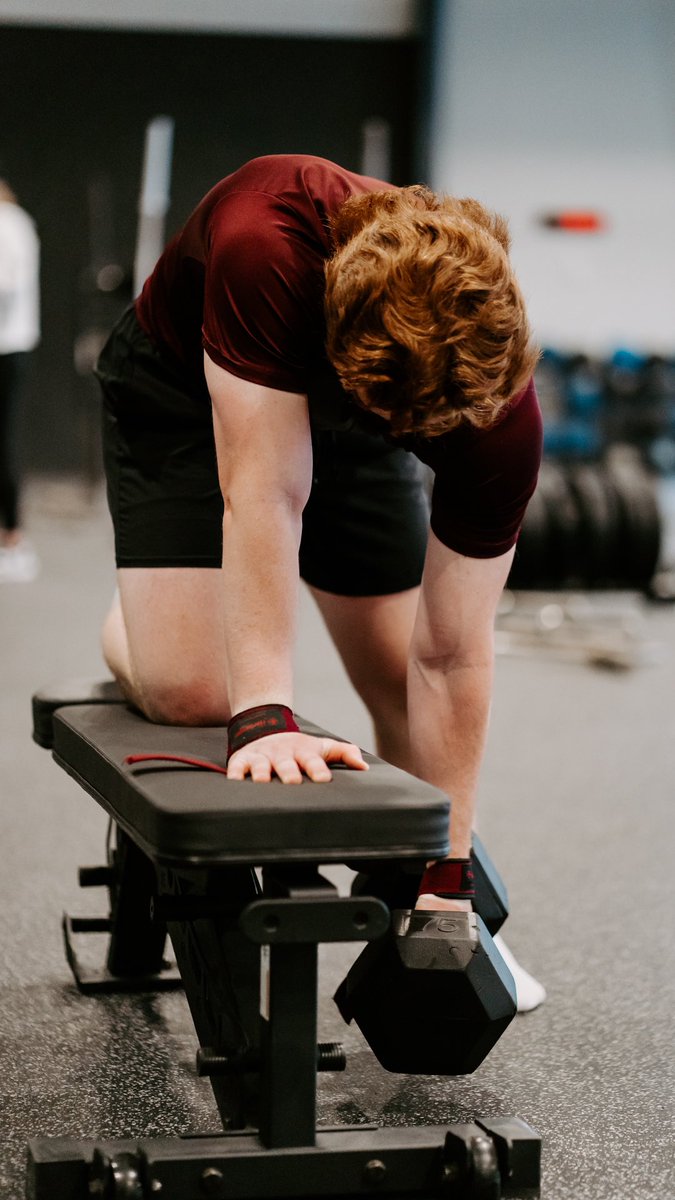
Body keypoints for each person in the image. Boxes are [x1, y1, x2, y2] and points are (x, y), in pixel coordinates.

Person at [96, 154, 545, 1009]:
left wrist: (443, 880)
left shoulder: (492, 408)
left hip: (370, 402)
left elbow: (450, 656)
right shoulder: (262, 241)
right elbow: (263, 494)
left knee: (397, 676)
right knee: (196, 692)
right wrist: (263, 717)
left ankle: (454, 907)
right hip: (185, 391)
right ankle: (146, 610)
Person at [0, 176, 40, 583]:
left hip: (7, 349)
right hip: (9, 346)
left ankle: (13, 537)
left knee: (4, 442)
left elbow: (7, 285)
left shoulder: (9, 223)